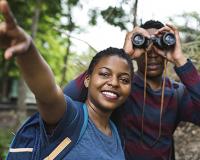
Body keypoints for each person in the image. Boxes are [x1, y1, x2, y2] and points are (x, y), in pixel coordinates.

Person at [0, 1, 134, 160]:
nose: (114, 83)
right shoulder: (70, 116)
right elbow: (47, 93)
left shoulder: (116, 134)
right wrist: (28, 51)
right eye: (105, 74)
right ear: (87, 80)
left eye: (124, 79)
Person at [64, 20, 200, 159]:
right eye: (146, 45)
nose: (152, 54)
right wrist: (124, 55)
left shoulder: (177, 93)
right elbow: (67, 97)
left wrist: (180, 59)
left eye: (159, 44)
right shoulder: (121, 88)